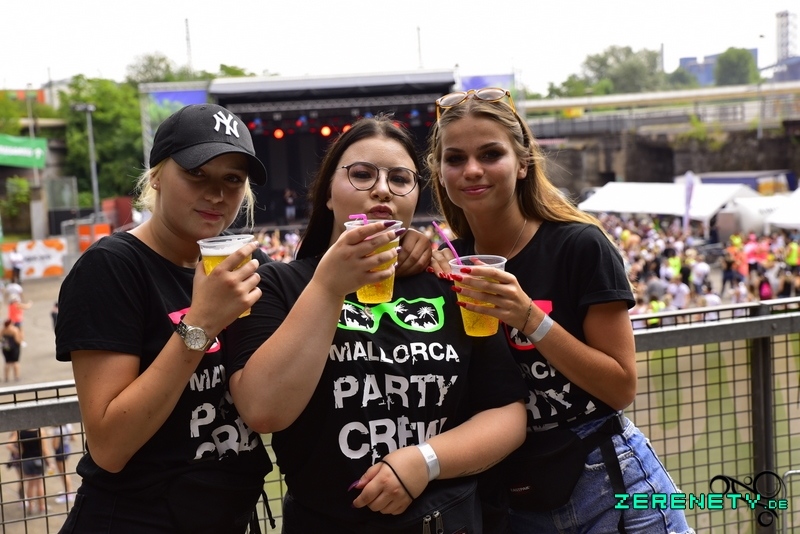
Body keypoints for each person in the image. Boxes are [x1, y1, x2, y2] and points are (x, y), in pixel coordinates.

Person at [226, 114, 528, 533]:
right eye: (362, 174)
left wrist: (425, 461)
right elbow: (263, 411)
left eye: (400, 179)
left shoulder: (448, 283)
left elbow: (508, 413)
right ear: (328, 193)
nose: (382, 189)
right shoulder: (280, 285)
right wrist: (329, 286)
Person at [426, 87, 692, 533]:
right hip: (512, 491)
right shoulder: (446, 264)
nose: (472, 170)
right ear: (439, 171)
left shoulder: (579, 246)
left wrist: (530, 318)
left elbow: (621, 387)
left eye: (491, 154)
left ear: (523, 162)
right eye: (455, 158)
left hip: (607, 475)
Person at [54, 103, 274, 533]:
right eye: (197, 174)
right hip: (130, 519)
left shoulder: (248, 265)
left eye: (232, 179)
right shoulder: (112, 267)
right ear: (156, 175)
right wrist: (201, 324)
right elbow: (109, 446)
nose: (216, 194)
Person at [8, 428, 54, 515]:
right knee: (39, 484)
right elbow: (44, 449)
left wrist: (19, 451)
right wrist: (49, 462)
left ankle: (31, 507)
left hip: (26, 460)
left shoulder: (20, 431)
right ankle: (42, 506)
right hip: (38, 459)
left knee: (30, 484)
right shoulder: (40, 431)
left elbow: (9, 445)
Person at [51, 424, 76, 503]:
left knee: (63, 473)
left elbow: (55, 445)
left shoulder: (57, 430)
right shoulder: (68, 426)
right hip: (67, 448)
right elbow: (74, 438)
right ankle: (67, 491)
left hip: (60, 451)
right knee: (66, 471)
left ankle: (69, 493)